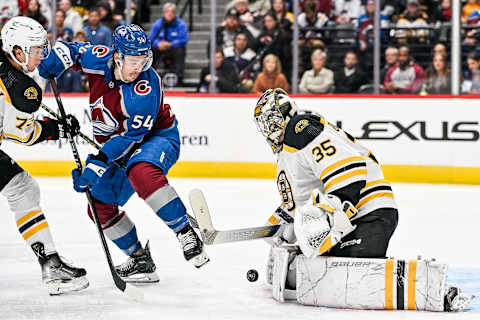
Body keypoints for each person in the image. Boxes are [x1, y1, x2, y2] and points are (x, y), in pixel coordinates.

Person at [252, 88, 474, 312]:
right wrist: (280, 226)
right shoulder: (285, 154)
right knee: (312, 273)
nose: (269, 130)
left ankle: (433, 289)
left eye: (272, 121)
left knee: (348, 274)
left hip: (370, 211)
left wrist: (340, 203)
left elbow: (348, 163)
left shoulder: (301, 130)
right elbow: (299, 202)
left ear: (287, 113)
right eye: (264, 124)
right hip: (348, 220)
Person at [38, 24, 210, 282]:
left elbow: (130, 139)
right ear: (116, 56)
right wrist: (55, 60)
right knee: (99, 205)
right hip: (119, 148)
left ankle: (185, 231)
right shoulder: (99, 57)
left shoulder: (146, 87)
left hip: (157, 137)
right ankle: (140, 260)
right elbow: (72, 50)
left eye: (143, 60)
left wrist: (96, 164)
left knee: (141, 169)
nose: (138, 67)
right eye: (133, 61)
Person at [0, 16, 87, 295]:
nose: (42, 55)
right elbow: (21, 134)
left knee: (22, 188)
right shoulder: (21, 91)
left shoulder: (16, 78)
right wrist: (57, 129)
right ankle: (51, 265)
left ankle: (50, 263)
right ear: (17, 51)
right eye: (37, 50)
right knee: (22, 189)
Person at [148, 2, 189, 86]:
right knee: (150, 51)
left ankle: (178, 78)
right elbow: (151, 38)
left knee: (181, 50)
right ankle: (150, 77)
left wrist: (170, 44)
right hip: (160, 48)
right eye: (167, 11)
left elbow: (184, 39)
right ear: (163, 13)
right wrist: (158, 44)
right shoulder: (157, 24)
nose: (169, 14)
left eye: (172, 12)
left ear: (174, 14)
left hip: (174, 48)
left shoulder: (181, 24)